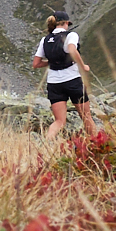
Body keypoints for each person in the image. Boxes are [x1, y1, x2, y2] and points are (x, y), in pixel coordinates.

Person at [34, 13, 101, 141]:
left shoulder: (45, 40)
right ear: (66, 23)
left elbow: (36, 64)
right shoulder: (71, 35)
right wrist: (83, 66)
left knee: (59, 121)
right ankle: (96, 144)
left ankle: (47, 142)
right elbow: (72, 50)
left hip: (53, 83)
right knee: (86, 117)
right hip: (72, 80)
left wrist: (51, 61)